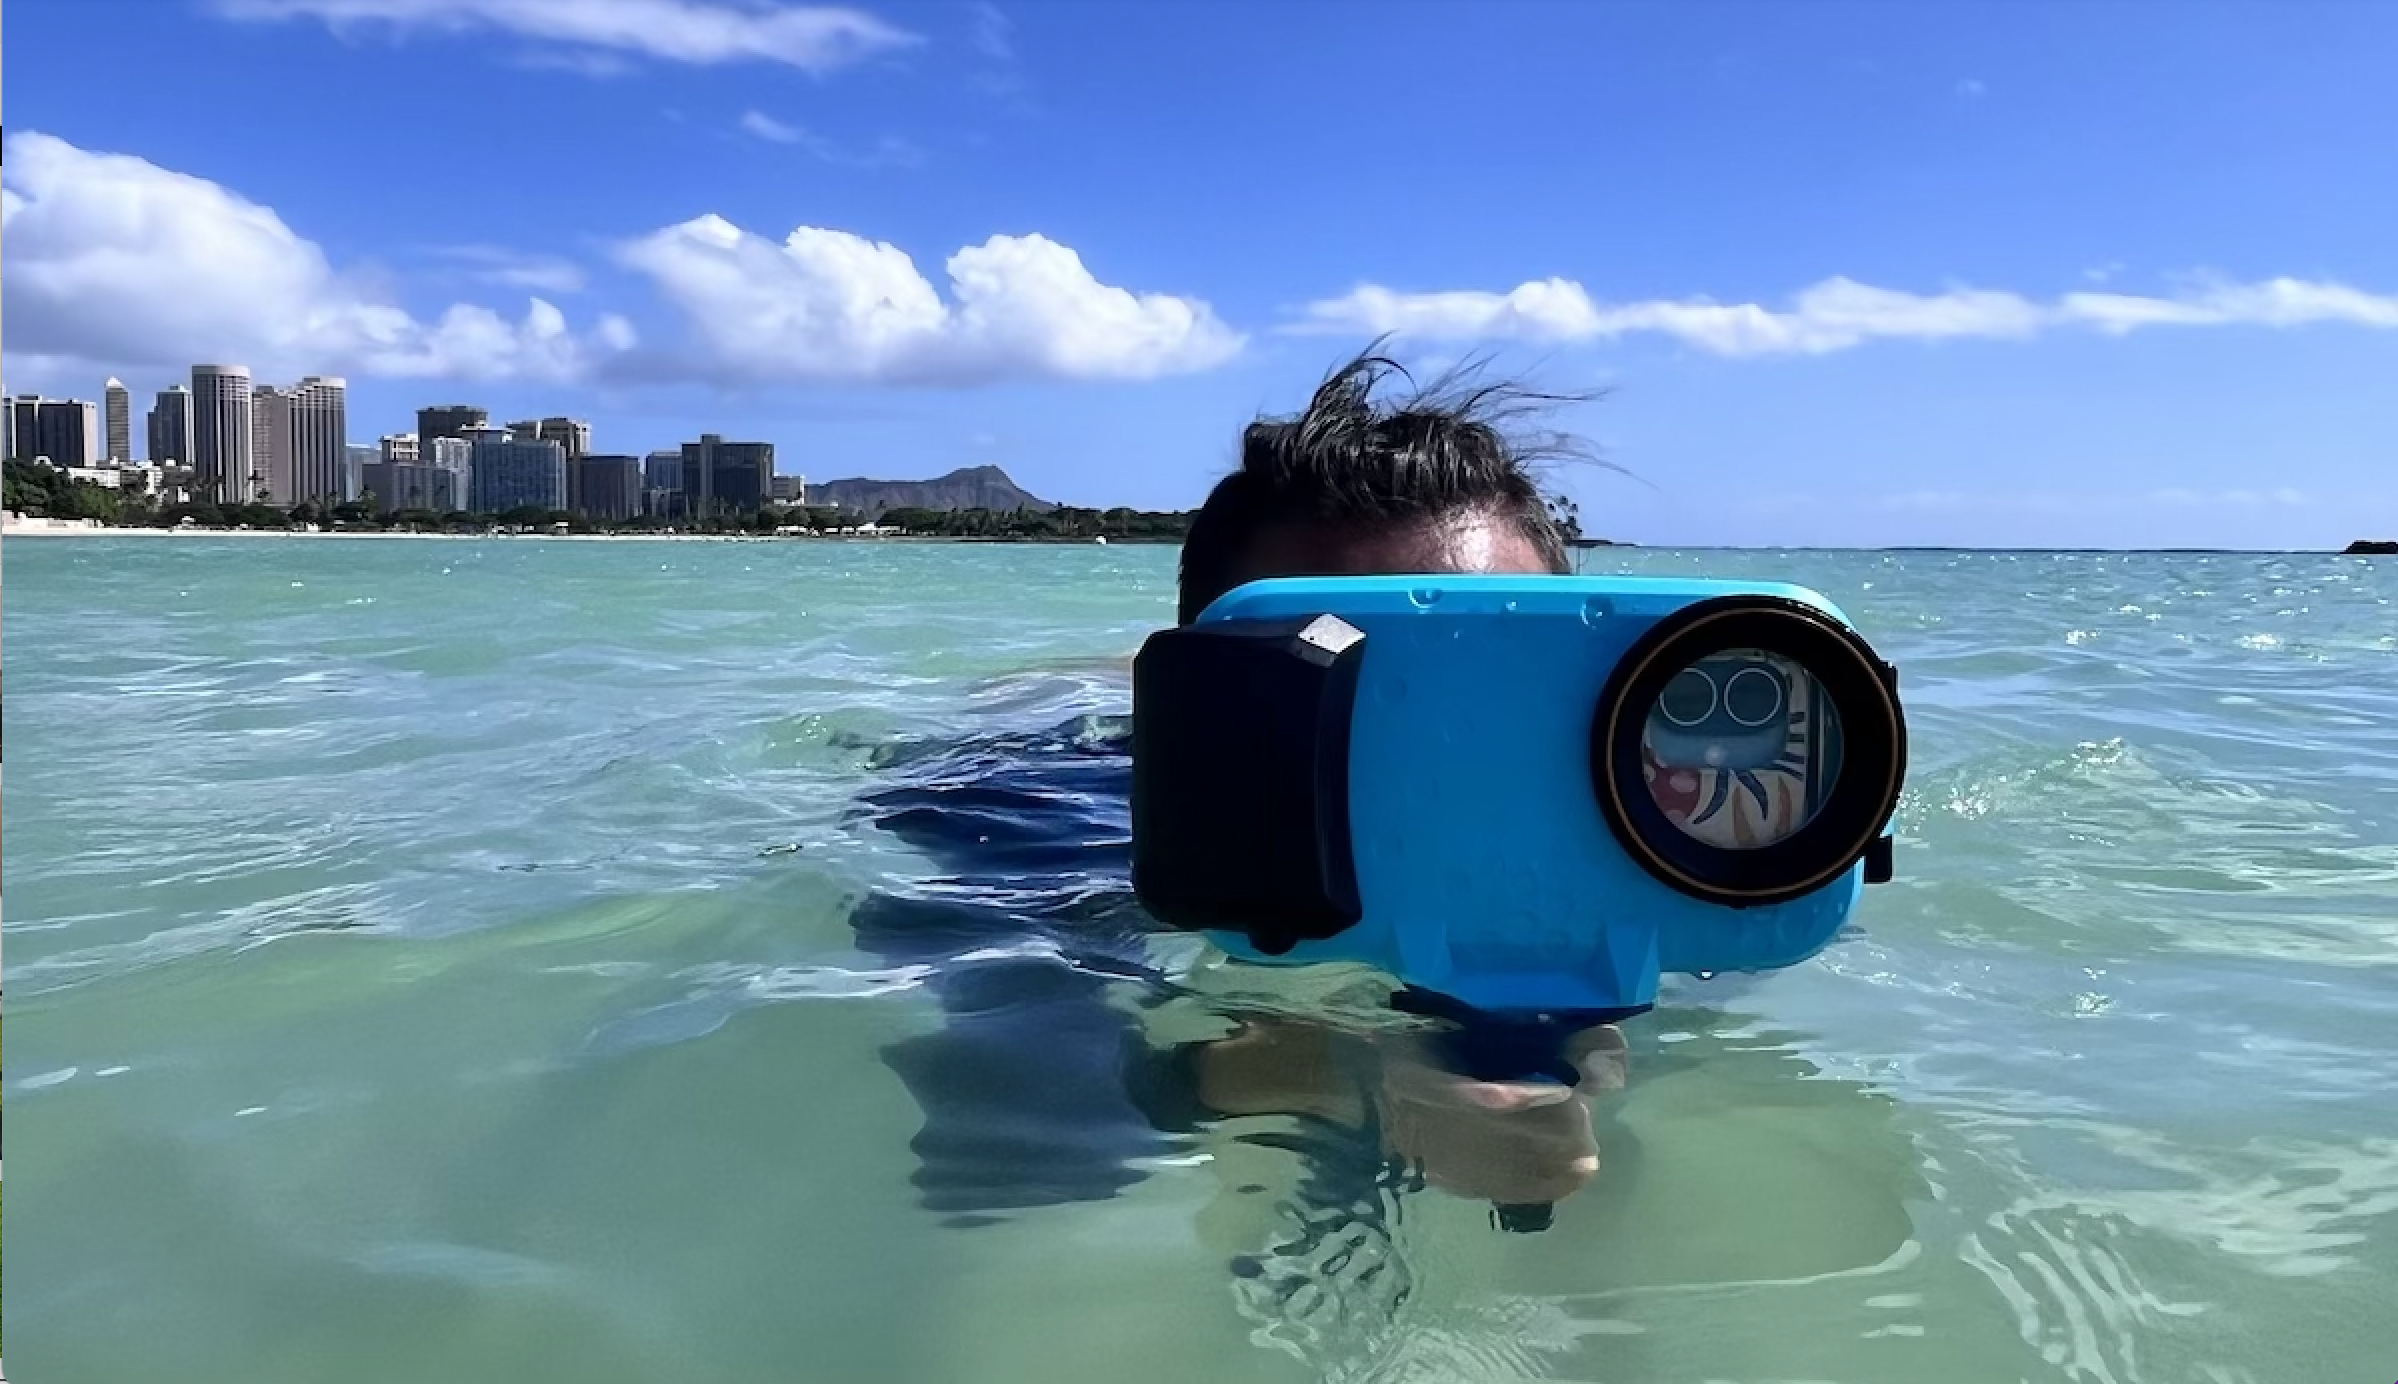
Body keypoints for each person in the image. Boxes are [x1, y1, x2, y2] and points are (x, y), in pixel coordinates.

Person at [853, 347, 1624, 1234]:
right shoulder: (1024, 827)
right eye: (1337, 673)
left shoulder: (1670, 863)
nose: (1433, 733)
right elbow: (998, 1158)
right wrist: (1315, 1073)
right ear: (1198, 689)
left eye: (1494, 669)